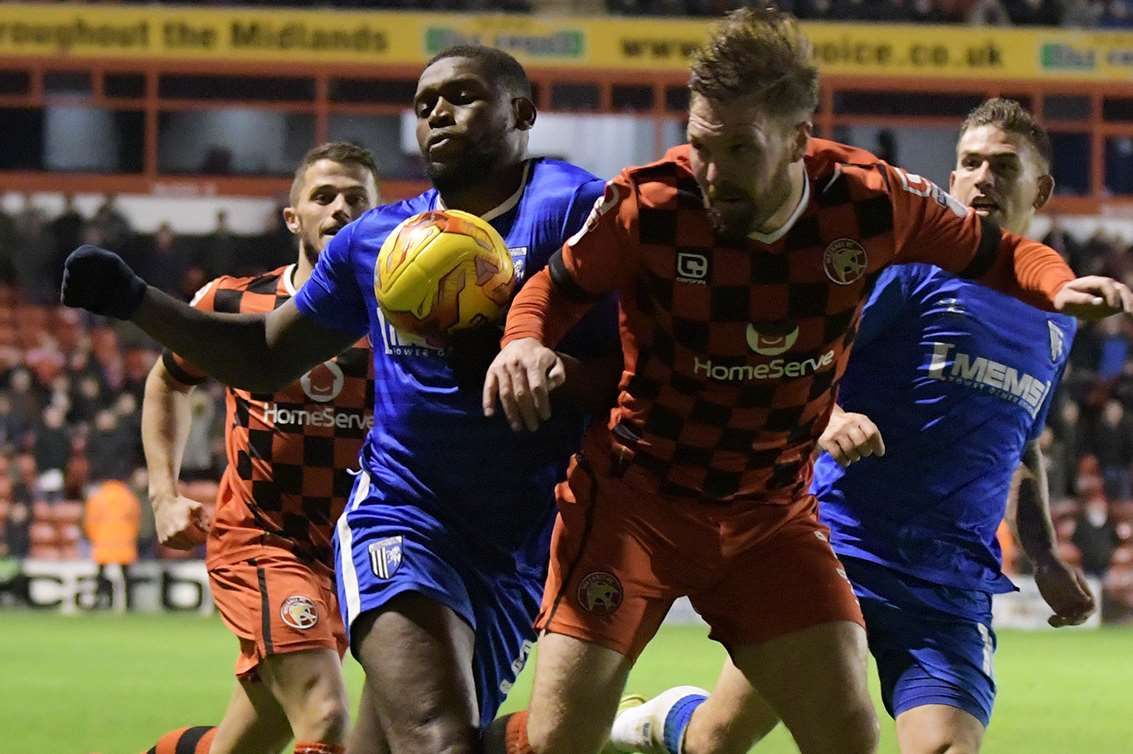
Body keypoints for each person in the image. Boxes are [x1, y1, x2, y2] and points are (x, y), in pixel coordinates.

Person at [479, 9, 1132, 754]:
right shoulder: (649, 201)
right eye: (699, 145)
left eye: (736, 150)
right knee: (567, 742)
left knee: (844, 735)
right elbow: (554, 286)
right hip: (641, 500)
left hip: (773, 515)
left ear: (796, 141)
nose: (711, 173)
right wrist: (521, 341)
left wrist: (1056, 286)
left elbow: (1001, 256)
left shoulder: (871, 201)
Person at [62, 45, 619, 754]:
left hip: (519, 546)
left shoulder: (579, 210)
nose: (437, 113)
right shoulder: (378, 241)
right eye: (423, 105)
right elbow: (263, 355)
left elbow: (636, 371)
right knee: (437, 742)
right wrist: (136, 300)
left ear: (522, 112)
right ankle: (631, 729)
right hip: (402, 514)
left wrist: (555, 368)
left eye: (461, 96)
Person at [607, 98, 1099, 754]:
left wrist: (1044, 557)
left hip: (948, 586)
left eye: (1002, 167)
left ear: (1038, 189)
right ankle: (653, 722)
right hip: (839, 553)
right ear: (950, 180)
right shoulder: (912, 271)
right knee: (716, 741)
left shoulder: (1053, 316)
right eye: (968, 163)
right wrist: (829, 416)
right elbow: (791, 356)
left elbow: (1023, 441)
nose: (980, 178)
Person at [140, 141, 380, 754]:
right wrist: (163, 493)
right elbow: (168, 379)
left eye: (357, 199)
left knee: (255, 735)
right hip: (262, 540)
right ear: (293, 217)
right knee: (325, 718)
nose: (340, 209)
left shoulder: (403, 320)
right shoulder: (232, 303)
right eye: (323, 196)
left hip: (352, 556)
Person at [83, 477, 141, 610]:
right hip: (125, 544)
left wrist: (94, 537)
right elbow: (136, 521)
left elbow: (90, 522)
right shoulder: (129, 497)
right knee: (126, 576)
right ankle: (129, 604)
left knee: (100, 575)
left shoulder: (97, 498)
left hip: (103, 544)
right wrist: (131, 536)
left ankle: (101, 602)